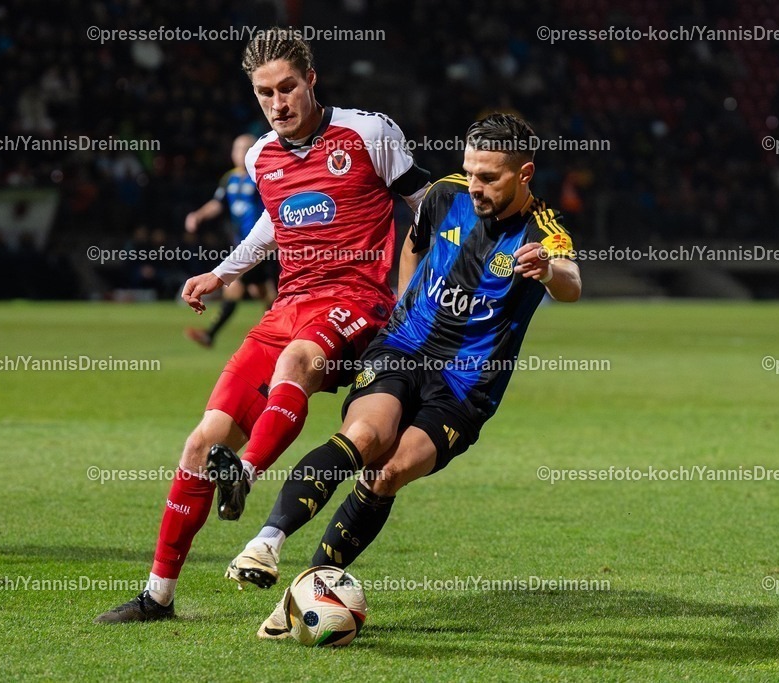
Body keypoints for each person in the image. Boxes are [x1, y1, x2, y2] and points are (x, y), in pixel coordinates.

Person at [95, 28, 430, 623]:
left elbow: (426, 201)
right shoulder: (260, 157)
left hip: (357, 301)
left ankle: (245, 472)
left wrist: (443, 274)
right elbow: (272, 227)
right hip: (288, 304)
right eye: (264, 93)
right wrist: (221, 275)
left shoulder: (368, 134)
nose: (278, 103)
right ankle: (158, 596)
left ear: (312, 81)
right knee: (201, 441)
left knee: (294, 363)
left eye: (287, 88)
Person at [223, 113, 582, 639]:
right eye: (471, 172)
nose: (476, 186)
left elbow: (571, 280)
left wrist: (549, 271)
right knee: (365, 437)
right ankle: (266, 541)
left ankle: (299, 596)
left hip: (465, 386)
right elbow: (415, 241)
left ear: (524, 173)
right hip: (404, 349)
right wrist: (404, 305)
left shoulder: (541, 232)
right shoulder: (444, 195)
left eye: (490, 177)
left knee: (385, 475)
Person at [183, 133, 277, 348]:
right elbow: (218, 204)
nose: (241, 153)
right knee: (262, 292)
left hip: (262, 245)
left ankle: (212, 334)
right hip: (240, 244)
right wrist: (198, 215)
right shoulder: (229, 179)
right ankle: (272, 333)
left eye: (246, 148)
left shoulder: (262, 175)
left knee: (237, 287)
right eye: (237, 149)